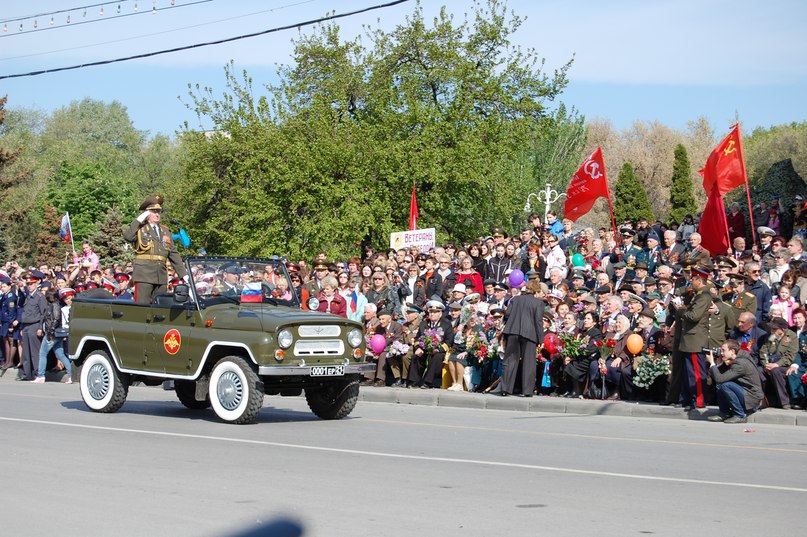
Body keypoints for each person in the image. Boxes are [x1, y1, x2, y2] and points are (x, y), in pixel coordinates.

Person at [123, 194, 186, 304]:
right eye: (154, 211)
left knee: (160, 308)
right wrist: (139, 219)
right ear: (146, 213)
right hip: (144, 275)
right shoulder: (140, 229)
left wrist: (183, 274)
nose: (157, 214)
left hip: (160, 276)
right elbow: (128, 237)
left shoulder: (165, 231)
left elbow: (173, 253)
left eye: (159, 211)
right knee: (142, 308)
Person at [500, 279, 545, 397]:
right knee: (528, 362)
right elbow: (538, 322)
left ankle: (506, 389)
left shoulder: (515, 299)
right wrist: (541, 339)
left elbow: (507, 314)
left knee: (510, 360)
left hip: (513, 331)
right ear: (536, 290)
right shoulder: (538, 303)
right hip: (529, 334)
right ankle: (527, 390)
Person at [706, 340, 763, 424]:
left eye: (723, 350)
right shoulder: (739, 357)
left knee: (725, 385)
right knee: (720, 385)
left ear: (732, 351)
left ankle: (740, 415)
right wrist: (718, 364)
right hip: (746, 392)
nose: (721, 353)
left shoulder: (740, 363)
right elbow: (722, 377)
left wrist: (712, 363)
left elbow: (719, 378)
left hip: (752, 399)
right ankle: (724, 413)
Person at [408, 300, 453, 389]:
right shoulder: (424, 323)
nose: (432, 314)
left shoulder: (446, 324)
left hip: (438, 350)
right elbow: (417, 338)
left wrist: (438, 350)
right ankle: (414, 381)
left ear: (440, 314)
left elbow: (448, 342)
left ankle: (428, 382)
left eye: (435, 312)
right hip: (424, 349)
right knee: (415, 357)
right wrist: (418, 347)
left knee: (437, 357)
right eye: (431, 312)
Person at [33, 287, 73, 384]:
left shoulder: (54, 305)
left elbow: (55, 319)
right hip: (55, 333)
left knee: (42, 353)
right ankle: (71, 376)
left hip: (52, 333)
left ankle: (41, 375)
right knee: (60, 354)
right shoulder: (54, 305)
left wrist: (50, 332)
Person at [759, 317, 798, 408]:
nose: (772, 330)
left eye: (774, 329)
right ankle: (763, 400)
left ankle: (784, 401)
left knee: (775, 371)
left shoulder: (791, 336)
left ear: (783, 329)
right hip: (770, 364)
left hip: (784, 366)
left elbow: (790, 355)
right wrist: (766, 364)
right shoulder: (770, 336)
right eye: (771, 328)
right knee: (758, 371)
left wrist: (777, 364)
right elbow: (763, 352)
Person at [18, 271, 48, 381]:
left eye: (31, 284)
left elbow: (43, 313)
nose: (29, 286)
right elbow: (25, 311)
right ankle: (27, 374)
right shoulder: (28, 296)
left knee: (35, 352)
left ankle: (37, 373)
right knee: (26, 352)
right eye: (28, 284)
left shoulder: (40, 296)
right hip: (26, 325)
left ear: (36, 283)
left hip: (35, 325)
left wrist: (40, 327)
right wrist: (22, 327)